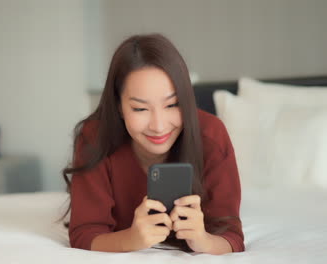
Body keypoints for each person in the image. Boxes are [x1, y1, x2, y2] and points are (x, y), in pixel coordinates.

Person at [61, 33, 244, 254]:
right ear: (119, 106)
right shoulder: (95, 137)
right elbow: (84, 235)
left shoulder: (211, 135)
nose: (158, 126)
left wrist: (203, 240)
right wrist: (131, 239)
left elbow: (231, 238)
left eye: (172, 105)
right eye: (140, 108)